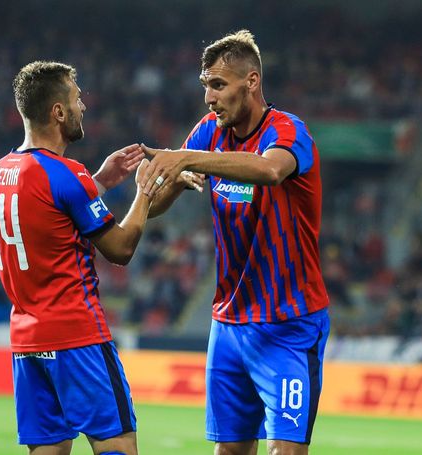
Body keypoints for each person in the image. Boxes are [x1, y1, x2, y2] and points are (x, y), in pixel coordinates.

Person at [140, 30, 330, 455]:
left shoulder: (288, 130)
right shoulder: (209, 131)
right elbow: (156, 207)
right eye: (205, 85)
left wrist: (185, 158)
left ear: (252, 82)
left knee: (287, 451)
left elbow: (269, 171)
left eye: (219, 85)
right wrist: (150, 187)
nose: (209, 97)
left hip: (288, 324)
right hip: (228, 324)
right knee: (229, 451)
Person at [0, 61, 153, 455]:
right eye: (77, 99)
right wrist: (145, 190)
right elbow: (120, 249)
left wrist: (100, 182)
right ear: (58, 112)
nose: (83, 107)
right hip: (78, 336)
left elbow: (47, 211)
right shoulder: (65, 173)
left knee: (48, 451)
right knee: (117, 445)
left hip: (28, 342)